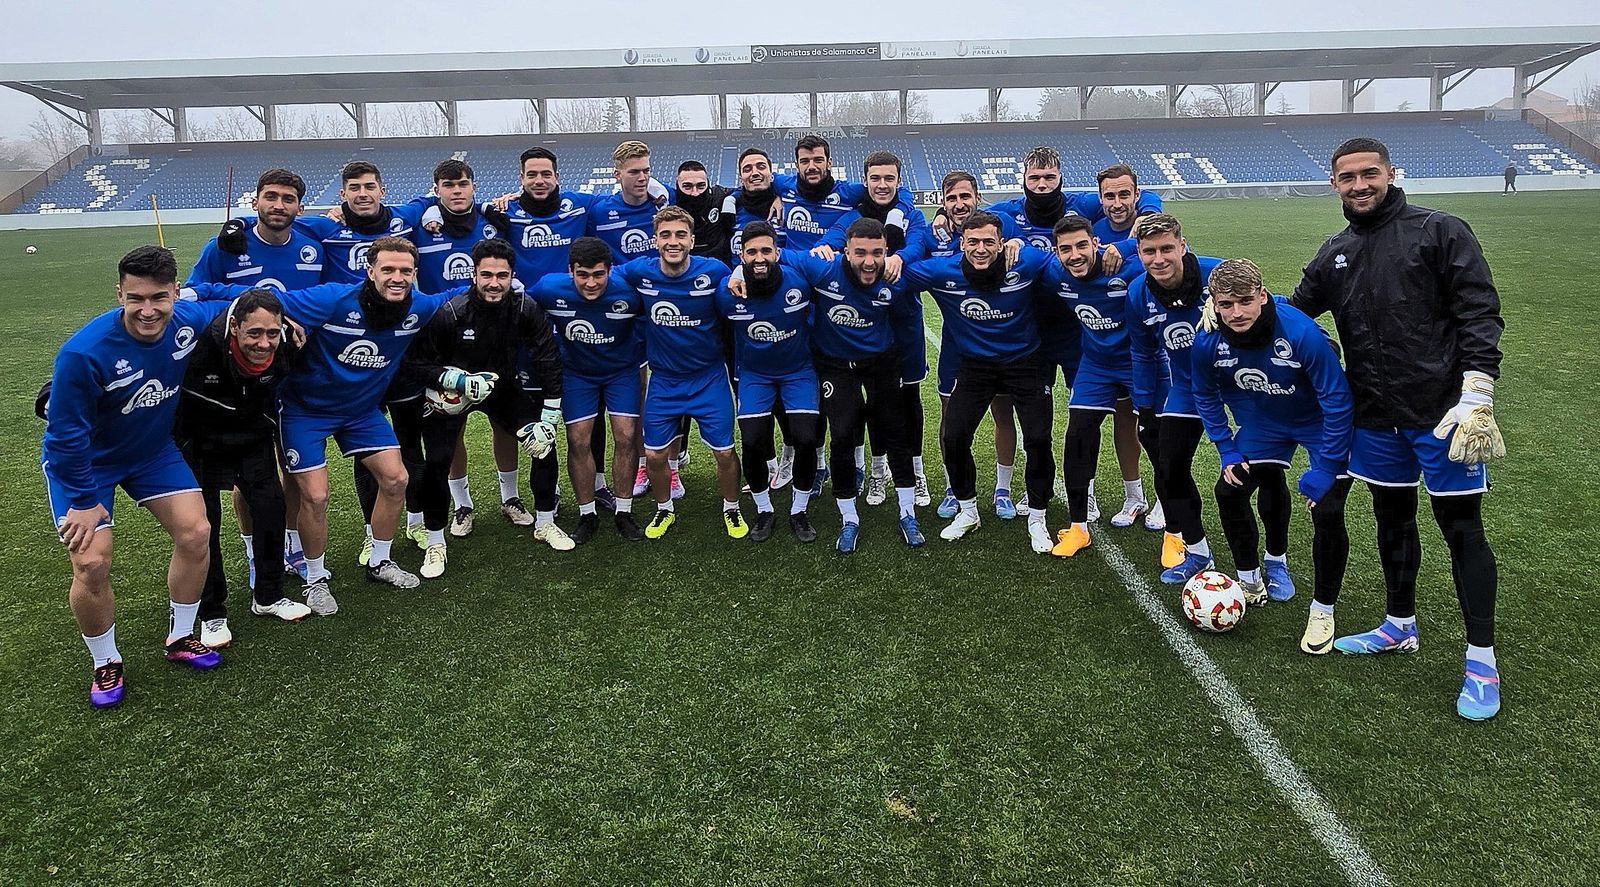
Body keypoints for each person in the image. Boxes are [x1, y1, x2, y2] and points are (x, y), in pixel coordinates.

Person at [1289, 137, 1506, 720]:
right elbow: (1292, 311)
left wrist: (1477, 387)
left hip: (1441, 414)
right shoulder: (1334, 252)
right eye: (1347, 178)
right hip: (1374, 417)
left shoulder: (1440, 230)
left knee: (1461, 530)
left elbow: (1479, 311)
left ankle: (1481, 660)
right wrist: (1226, 308)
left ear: (1389, 173)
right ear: (1333, 184)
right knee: (1392, 519)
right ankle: (1398, 624)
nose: (1359, 185)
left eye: (1368, 174)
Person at [188, 237, 466, 615]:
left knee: (396, 480)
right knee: (315, 496)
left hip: (361, 412)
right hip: (305, 410)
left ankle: (380, 561)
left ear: (415, 274)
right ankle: (315, 579)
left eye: (405, 271)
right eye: (388, 269)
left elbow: (459, 293)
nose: (397, 277)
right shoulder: (333, 299)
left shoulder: (419, 306)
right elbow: (260, 299)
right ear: (370, 271)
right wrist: (196, 291)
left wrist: (509, 285)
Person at [42, 246, 233, 708]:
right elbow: (63, 440)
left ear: (174, 294)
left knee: (197, 531)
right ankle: (105, 661)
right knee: (91, 563)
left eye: (159, 298)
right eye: (136, 299)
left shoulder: (186, 320)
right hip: (86, 463)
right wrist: (86, 500)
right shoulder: (83, 353)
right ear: (120, 294)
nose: (148, 311)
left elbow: (225, 298)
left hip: (150, 453)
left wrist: (271, 311)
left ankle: (181, 636)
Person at [1190, 259, 1354, 655]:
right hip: (1265, 421)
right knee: (1229, 491)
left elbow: (1337, 400)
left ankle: (1322, 609)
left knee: (1328, 509)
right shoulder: (1208, 339)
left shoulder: (1300, 333)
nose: (1236, 313)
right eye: (1226, 304)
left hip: (1318, 422)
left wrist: (1328, 467)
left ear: (1262, 296)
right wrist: (1226, 447)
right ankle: (1250, 579)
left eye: (1245, 301)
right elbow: (1205, 394)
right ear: (1214, 303)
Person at [185, 168, 325, 588]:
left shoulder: (312, 247)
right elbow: (195, 293)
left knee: (292, 467)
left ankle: (294, 545)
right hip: (240, 379)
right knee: (250, 473)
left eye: (287, 199)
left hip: (295, 373)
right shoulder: (226, 245)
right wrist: (258, 305)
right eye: (270, 197)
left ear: (300, 206)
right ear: (256, 201)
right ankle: (254, 552)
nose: (278, 205)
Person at [403, 238, 570, 576]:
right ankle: (436, 542)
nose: (494, 283)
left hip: (503, 389)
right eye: (487, 275)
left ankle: (545, 522)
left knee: (543, 443)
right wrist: (455, 381)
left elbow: (548, 358)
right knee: (437, 460)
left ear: (512, 276)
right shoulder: (451, 312)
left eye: (502, 275)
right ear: (474, 274)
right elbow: (416, 364)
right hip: (453, 395)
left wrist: (550, 414)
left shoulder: (525, 307)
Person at [761, 218, 921, 552]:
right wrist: (736, 272)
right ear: (845, 251)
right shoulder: (823, 268)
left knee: (895, 431)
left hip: (881, 362)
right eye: (859, 252)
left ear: (886, 252)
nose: (868, 261)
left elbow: (926, 289)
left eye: (877, 253)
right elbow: (774, 255)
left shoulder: (896, 277)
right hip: (835, 366)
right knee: (844, 433)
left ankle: (908, 512)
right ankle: (849, 516)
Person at [905, 211, 1055, 551]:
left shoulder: (1025, 261)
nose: (981, 248)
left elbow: (1061, 260)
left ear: (1002, 243)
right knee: (954, 435)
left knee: (1038, 438)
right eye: (973, 242)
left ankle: (1037, 517)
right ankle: (968, 509)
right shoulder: (944, 271)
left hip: (1026, 362)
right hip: (975, 367)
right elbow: (895, 272)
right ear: (962, 244)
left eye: (989, 241)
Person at [173, 288, 314, 649]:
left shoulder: (286, 343)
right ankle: (212, 613)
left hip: (252, 435)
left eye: (272, 332)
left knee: (271, 507)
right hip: (199, 438)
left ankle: (267, 597)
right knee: (205, 527)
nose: (264, 343)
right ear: (234, 327)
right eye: (254, 333)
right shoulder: (200, 344)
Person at [614, 206, 744, 539]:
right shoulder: (638, 272)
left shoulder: (713, 270)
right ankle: (664, 509)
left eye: (680, 235)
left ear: (692, 240)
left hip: (709, 377)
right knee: (655, 455)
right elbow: (604, 277)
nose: (674, 242)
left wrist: (740, 271)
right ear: (654, 240)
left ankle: (732, 508)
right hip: (665, 381)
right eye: (666, 235)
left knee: (725, 452)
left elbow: (737, 279)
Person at [1047, 216, 1153, 558]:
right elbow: (1027, 259)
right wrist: (1014, 245)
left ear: (1096, 243)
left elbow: (1179, 259)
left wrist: (1120, 246)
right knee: (1078, 432)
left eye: (1082, 245)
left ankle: (1172, 521)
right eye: (1065, 249)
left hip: (1141, 360)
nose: (1074, 255)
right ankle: (1078, 527)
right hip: (1096, 362)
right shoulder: (1055, 273)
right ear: (1056, 252)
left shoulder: (1128, 268)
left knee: (1157, 434)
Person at [530, 237, 648, 543]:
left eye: (598, 274)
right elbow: (523, 310)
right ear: (570, 270)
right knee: (578, 440)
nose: (591, 282)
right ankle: (587, 515)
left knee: (625, 435)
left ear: (611, 270)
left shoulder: (629, 291)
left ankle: (624, 511)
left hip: (621, 372)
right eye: (583, 274)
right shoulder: (549, 288)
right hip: (576, 374)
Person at [1127, 213, 1223, 584]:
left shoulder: (1217, 275)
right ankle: (1196, 550)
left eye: (1167, 248)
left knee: (1259, 473)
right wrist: (1146, 408)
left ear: (1183, 246)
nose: (1159, 259)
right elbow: (1142, 353)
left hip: (1240, 384)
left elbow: (1269, 307)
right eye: (1149, 251)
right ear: (1139, 252)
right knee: (1169, 469)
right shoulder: (1138, 293)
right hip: (1189, 387)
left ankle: (1273, 561)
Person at [716, 221, 823, 542]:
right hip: (754, 376)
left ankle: (799, 510)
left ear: (778, 252)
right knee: (752, 441)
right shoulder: (728, 293)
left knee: (806, 439)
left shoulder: (800, 283)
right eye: (751, 252)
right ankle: (764, 510)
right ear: (741, 255)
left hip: (798, 372)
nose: (759, 257)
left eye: (766, 250)